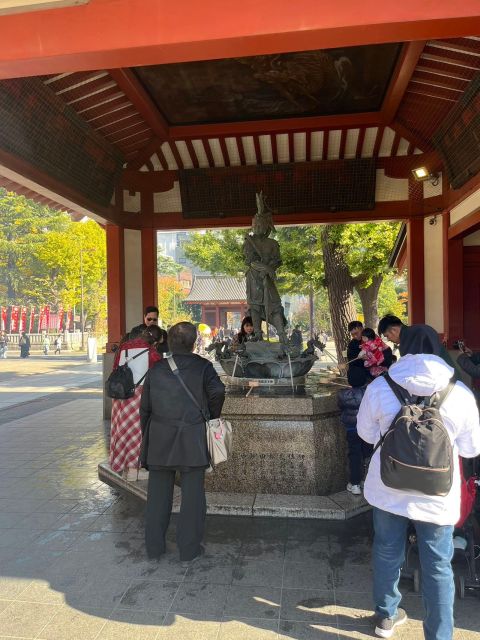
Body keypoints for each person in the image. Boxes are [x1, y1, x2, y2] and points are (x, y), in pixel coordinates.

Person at [357, 354, 480, 639]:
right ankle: (439, 634)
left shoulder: (379, 387)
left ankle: (385, 617)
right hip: (437, 496)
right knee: (437, 564)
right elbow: (471, 449)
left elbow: (364, 434)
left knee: (387, 549)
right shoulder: (460, 394)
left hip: (388, 487)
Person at [140, 322, 225, 561]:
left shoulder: (156, 369)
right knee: (193, 495)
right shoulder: (204, 367)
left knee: (157, 495)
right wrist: (210, 416)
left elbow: (144, 407)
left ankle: (154, 548)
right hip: (192, 435)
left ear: (170, 342)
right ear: (194, 342)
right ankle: (189, 549)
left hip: (160, 435)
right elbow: (218, 392)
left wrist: (148, 433)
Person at [110, 325, 162, 480]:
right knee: (137, 431)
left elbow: (115, 367)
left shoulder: (124, 347)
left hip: (120, 394)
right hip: (139, 394)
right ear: (154, 341)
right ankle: (134, 470)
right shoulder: (152, 353)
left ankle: (123, 465)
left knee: (121, 429)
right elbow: (159, 374)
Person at [337, 366, 373, 495]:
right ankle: (365, 480)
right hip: (367, 428)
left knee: (354, 455)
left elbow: (341, 407)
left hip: (352, 429)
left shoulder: (342, 395)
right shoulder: (369, 392)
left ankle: (355, 483)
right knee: (367, 454)